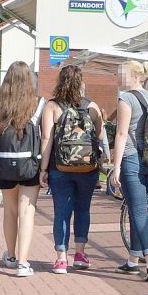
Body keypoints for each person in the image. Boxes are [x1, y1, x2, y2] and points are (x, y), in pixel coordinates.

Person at [38, 65, 108, 274]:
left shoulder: (52, 107)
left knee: (61, 212)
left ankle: (61, 259)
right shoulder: (92, 106)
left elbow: (46, 139)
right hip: (87, 169)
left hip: (59, 168)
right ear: (81, 83)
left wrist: (43, 169)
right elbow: (100, 138)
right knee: (83, 209)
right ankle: (79, 255)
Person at [0, 61, 43, 277]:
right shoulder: (37, 104)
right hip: (31, 164)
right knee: (27, 210)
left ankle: (10, 256)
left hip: (5, 163)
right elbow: (44, 135)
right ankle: (23, 263)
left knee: (10, 210)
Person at [110, 60, 148, 281]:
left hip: (132, 159)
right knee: (136, 209)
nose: (119, 78)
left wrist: (116, 166)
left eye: (121, 74)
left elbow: (121, 134)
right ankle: (133, 260)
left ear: (134, 75)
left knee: (139, 212)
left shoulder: (126, 98)